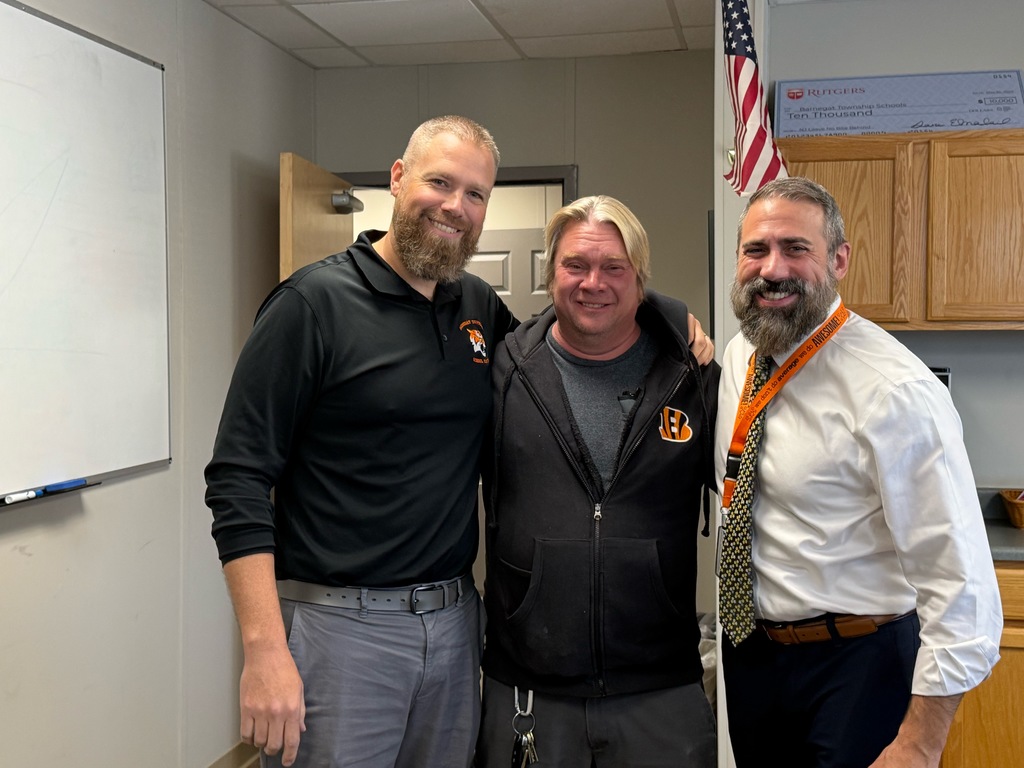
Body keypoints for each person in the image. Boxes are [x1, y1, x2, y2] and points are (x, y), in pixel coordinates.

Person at [206, 117, 713, 767]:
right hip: (341, 630)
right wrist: (264, 649)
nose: (456, 206)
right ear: (397, 178)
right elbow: (237, 479)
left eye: (476, 193)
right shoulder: (312, 305)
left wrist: (663, 313)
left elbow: (573, 321)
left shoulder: (476, 308)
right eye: (439, 182)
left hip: (452, 629)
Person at [715, 176, 1003, 768]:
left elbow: (962, 587)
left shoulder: (895, 391)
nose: (772, 269)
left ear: (839, 259)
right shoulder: (740, 354)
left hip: (857, 664)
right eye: (756, 250)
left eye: (797, 248)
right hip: (751, 656)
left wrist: (920, 743)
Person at [476, 195, 719, 768]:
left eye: (615, 267)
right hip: (529, 686)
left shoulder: (693, 374)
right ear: (549, 273)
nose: (593, 283)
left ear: (640, 280)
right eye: (575, 266)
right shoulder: (503, 373)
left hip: (661, 685)